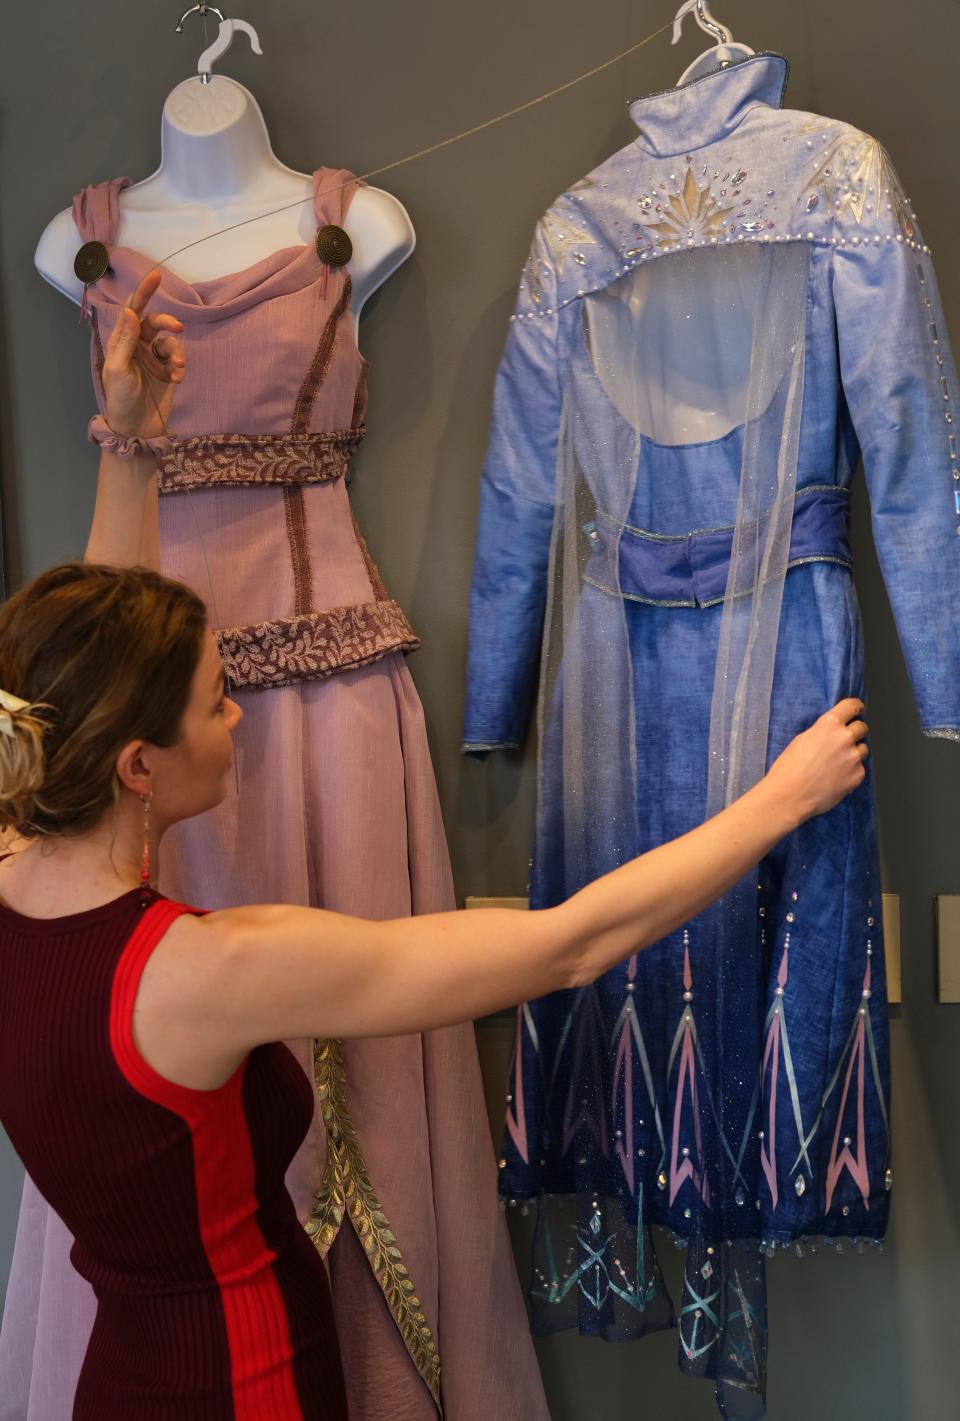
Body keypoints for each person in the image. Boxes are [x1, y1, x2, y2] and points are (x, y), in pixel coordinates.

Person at [0, 277, 870, 1419]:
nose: (241, 716)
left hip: (118, 1385)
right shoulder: (206, 968)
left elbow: (78, 668)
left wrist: (131, 441)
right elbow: (567, 946)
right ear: (137, 766)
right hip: (247, 1385)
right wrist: (775, 801)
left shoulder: (24, 858)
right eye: (218, 702)